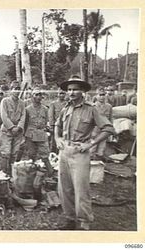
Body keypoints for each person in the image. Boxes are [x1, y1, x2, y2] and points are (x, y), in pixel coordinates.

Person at [55, 75, 115, 230]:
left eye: (75, 89)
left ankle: (84, 222)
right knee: (64, 188)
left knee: (81, 189)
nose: (71, 92)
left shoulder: (91, 109)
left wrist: (90, 144)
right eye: (69, 90)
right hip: (64, 151)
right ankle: (69, 218)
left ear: (82, 91)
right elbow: (57, 125)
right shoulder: (65, 108)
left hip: (80, 152)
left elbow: (108, 129)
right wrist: (57, 138)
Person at [0, 80, 26, 175]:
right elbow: (4, 116)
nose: (17, 91)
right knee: (5, 153)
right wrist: (11, 127)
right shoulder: (5, 101)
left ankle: (12, 174)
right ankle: (3, 173)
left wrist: (19, 127)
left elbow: (23, 116)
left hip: (18, 132)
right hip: (7, 131)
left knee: (15, 153)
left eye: (19, 89)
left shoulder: (22, 103)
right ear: (11, 90)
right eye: (15, 89)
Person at [25, 88, 53, 176]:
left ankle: (50, 173)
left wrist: (47, 128)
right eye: (36, 95)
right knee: (31, 154)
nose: (38, 97)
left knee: (45, 154)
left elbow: (47, 121)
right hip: (31, 133)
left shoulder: (45, 109)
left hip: (41, 133)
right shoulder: (27, 109)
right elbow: (25, 122)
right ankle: (31, 174)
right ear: (32, 97)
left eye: (40, 95)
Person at [90, 89, 113, 160]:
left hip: (104, 130)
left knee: (101, 147)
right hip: (95, 130)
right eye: (100, 95)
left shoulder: (109, 106)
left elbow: (111, 119)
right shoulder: (92, 106)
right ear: (96, 96)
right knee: (92, 147)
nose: (102, 97)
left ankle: (99, 162)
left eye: (103, 95)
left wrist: (110, 130)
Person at [48, 88, 67, 153]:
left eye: (63, 93)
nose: (62, 95)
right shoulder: (53, 104)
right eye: (60, 93)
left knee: (65, 143)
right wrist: (52, 126)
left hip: (65, 127)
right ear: (57, 94)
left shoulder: (67, 104)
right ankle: (53, 156)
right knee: (54, 143)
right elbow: (51, 116)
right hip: (56, 127)